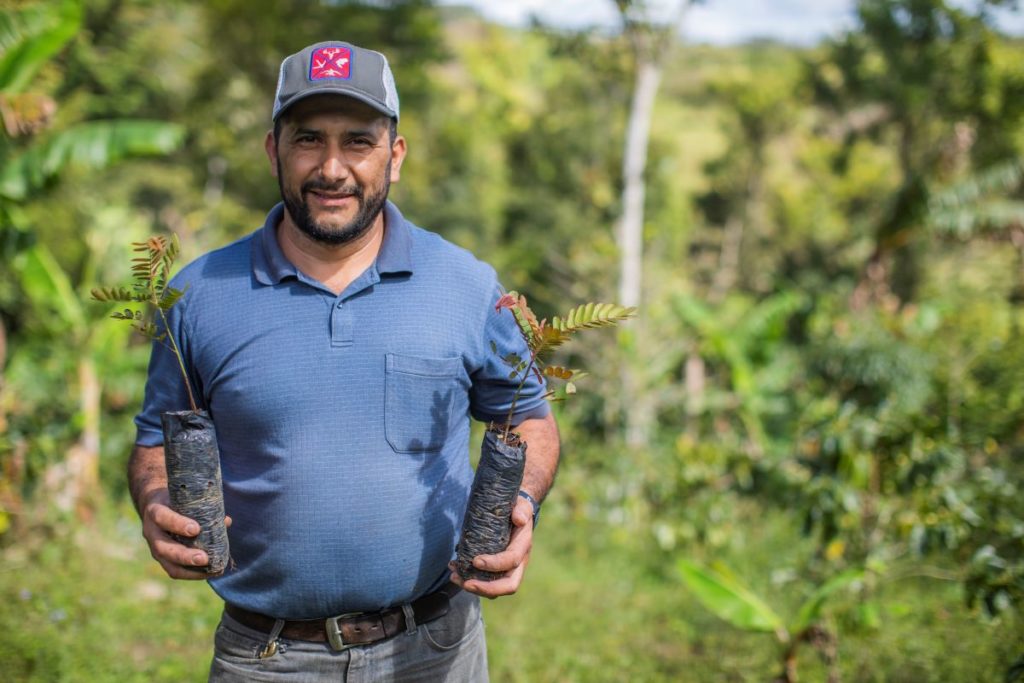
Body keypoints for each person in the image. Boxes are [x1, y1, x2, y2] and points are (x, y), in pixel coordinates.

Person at [130, 39, 560, 682]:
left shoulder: (467, 287)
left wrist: (521, 500)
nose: (332, 168)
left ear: (396, 154)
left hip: (435, 649)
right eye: (308, 139)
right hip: (265, 658)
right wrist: (156, 501)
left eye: (358, 141)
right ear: (274, 148)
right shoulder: (198, 297)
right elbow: (155, 442)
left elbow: (529, 419)